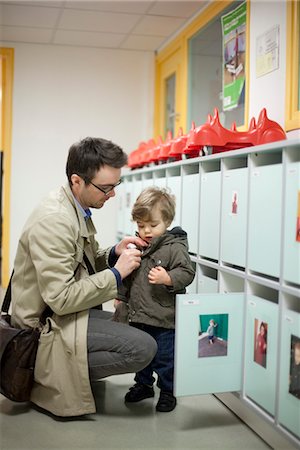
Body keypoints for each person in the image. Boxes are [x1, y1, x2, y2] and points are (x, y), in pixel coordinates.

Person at [10, 137, 157, 417]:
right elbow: (62, 298)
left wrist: (114, 252)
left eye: (116, 185)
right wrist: (117, 274)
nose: (113, 194)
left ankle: (68, 369)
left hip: (59, 315)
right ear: (77, 181)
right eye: (106, 188)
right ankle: (49, 373)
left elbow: (80, 264)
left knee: (128, 321)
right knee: (143, 348)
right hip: (43, 328)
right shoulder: (54, 220)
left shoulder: (75, 206)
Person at [115, 186, 195, 412]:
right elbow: (126, 275)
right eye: (141, 226)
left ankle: (168, 391)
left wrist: (168, 278)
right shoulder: (137, 246)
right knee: (142, 356)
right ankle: (143, 384)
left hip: (164, 318)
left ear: (167, 221)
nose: (146, 231)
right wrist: (120, 297)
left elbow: (187, 272)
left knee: (164, 358)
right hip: (139, 315)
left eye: (153, 225)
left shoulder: (175, 247)